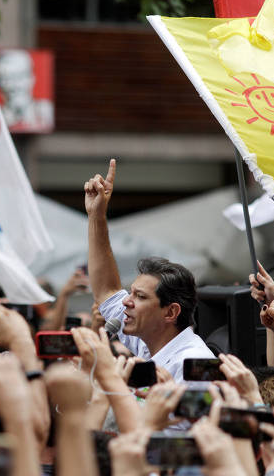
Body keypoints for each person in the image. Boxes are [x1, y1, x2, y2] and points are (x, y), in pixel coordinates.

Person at [84, 159, 214, 381]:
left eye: (140, 296)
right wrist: (96, 216)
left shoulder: (196, 365)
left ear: (170, 312)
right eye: (131, 292)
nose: (126, 301)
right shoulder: (148, 339)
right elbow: (107, 290)